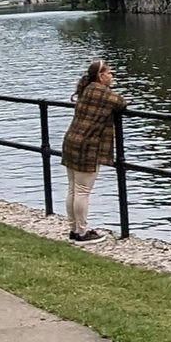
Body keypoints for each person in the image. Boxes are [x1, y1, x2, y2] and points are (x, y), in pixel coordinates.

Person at [59, 58, 122, 239]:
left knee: (73, 188)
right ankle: (82, 232)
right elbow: (121, 103)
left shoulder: (85, 90)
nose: (112, 76)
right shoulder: (103, 93)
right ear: (101, 76)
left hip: (71, 140)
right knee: (82, 191)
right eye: (110, 73)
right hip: (87, 146)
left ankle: (74, 229)